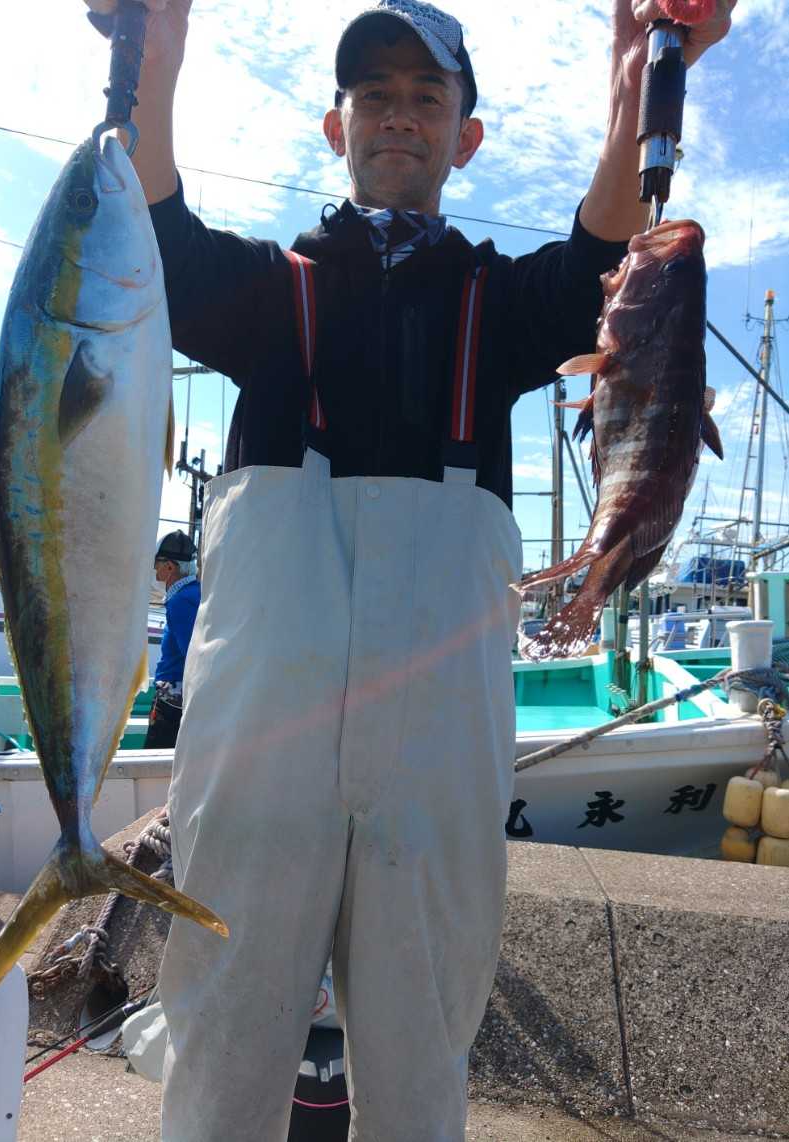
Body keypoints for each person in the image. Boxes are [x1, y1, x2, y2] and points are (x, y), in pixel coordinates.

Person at [83, 1, 735, 1138]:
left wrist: (639, 71)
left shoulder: (502, 303)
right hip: (257, 759)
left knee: (423, 1061)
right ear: (335, 127)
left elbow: (603, 257)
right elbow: (152, 229)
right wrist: (157, 43)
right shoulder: (264, 292)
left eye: (426, 97)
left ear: (465, 137)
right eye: (373, 96)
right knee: (219, 1047)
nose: (397, 115)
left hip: (436, 768)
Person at [144, 530, 201, 750]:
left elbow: (191, 655)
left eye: (156, 564)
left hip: (171, 703)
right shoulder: (195, 593)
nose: (153, 570)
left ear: (169, 567)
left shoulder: (180, 602)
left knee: (155, 758)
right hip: (182, 700)